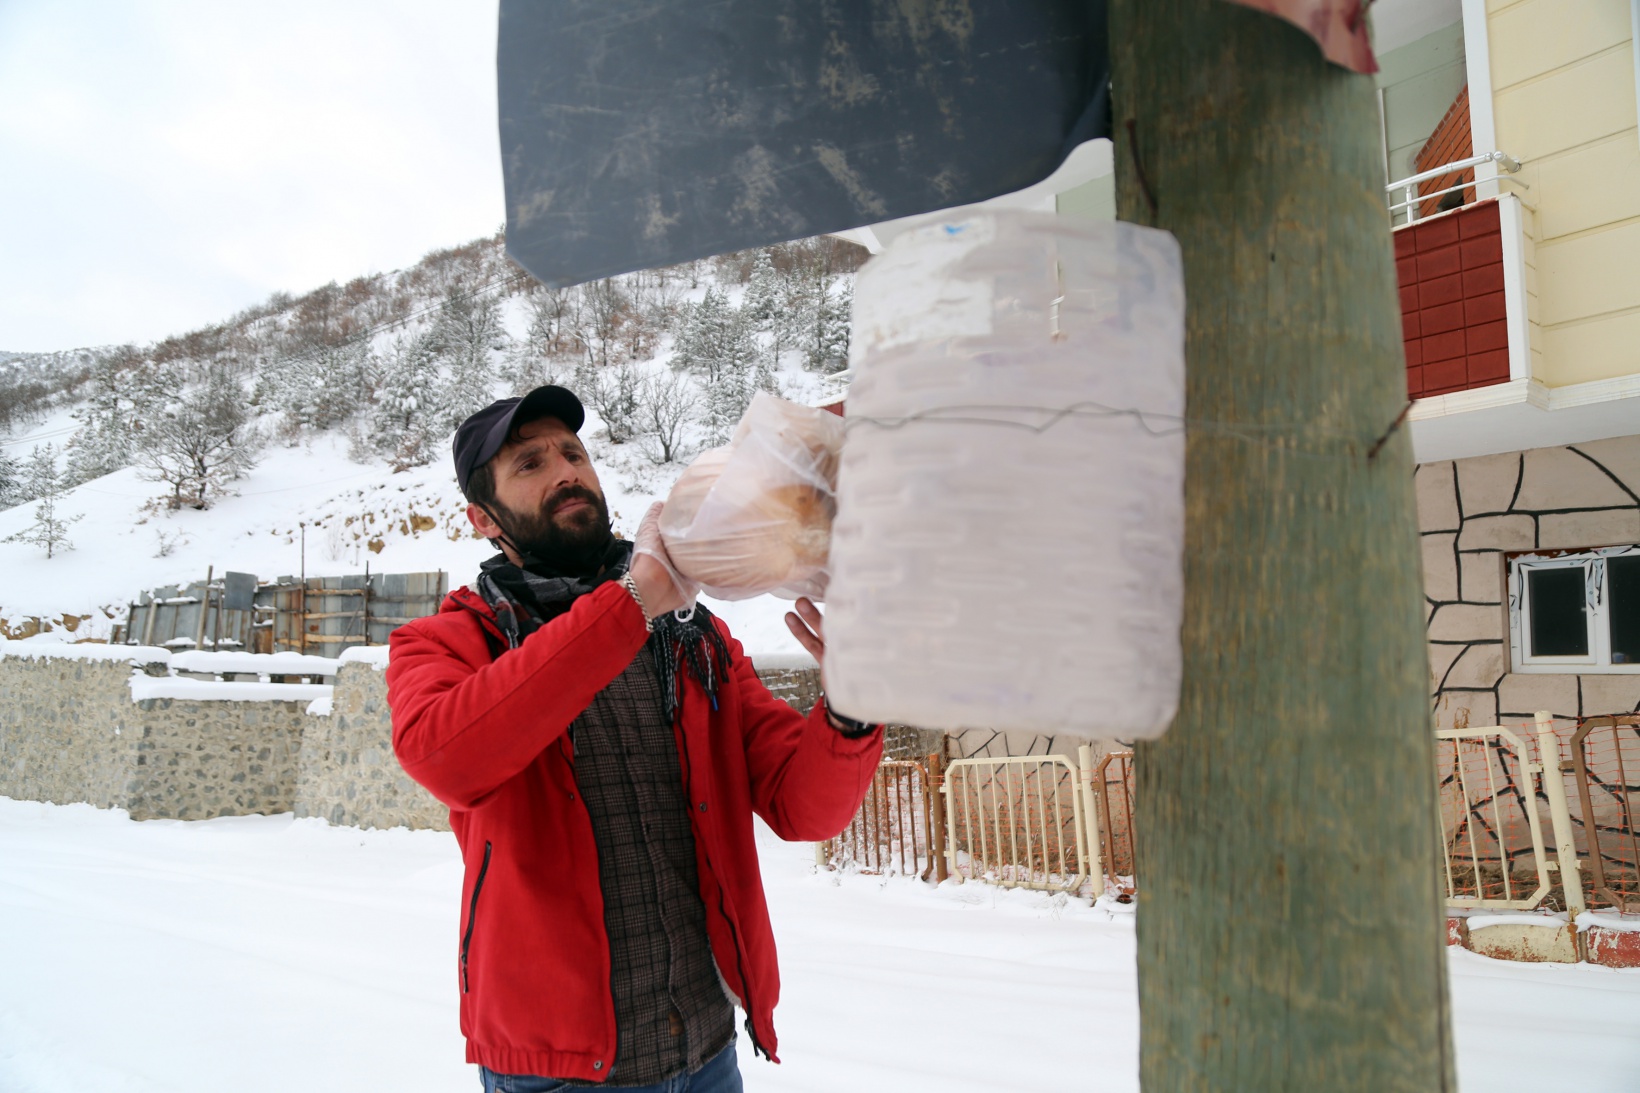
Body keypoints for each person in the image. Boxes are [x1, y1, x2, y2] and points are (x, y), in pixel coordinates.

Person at [386, 385, 882, 1091]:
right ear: (482, 517)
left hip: (707, 1050)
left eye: (573, 453)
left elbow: (804, 809)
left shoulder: (694, 639)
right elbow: (448, 757)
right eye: (529, 463)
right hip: (561, 1073)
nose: (565, 471)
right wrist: (633, 601)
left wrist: (851, 710)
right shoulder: (452, 641)